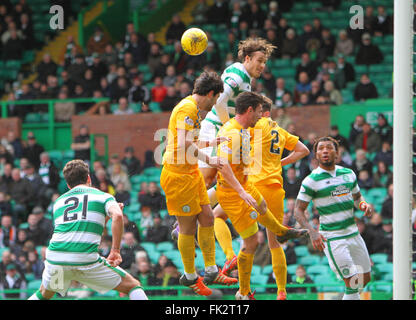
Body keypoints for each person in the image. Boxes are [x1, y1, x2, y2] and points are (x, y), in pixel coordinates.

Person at [215, 91, 308, 300]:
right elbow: (303, 150)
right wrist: (278, 163)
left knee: (217, 217)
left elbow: (227, 152)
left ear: (260, 112)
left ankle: (233, 265)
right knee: (274, 243)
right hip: (275, 187)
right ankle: (282, 291)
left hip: (251, 184)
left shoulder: (250, 126)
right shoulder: (278, 129)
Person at [160, 71, 238, 296]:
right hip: (177, 177)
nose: (215, 104)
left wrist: (210, 141)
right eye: (216, 99)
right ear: (211, 93)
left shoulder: (192, 110)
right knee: (187, 227)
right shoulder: (187, 109)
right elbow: (184, 143)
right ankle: (190, 275)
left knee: (207, 217)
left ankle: (211, 269)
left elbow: (187, 140)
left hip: (191, 173)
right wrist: (209, 158)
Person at [28, 159, 148, 300]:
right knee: (132, 285)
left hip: (57, 259)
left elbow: (78, 229)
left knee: (45, 293)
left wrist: (106, 219)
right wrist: (115, 250)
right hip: (85, 259)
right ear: (89, 178)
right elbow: (118, 215)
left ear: (68, 185)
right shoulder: (103, 196)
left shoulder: (58, 202)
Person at [198, 37, 276, 221]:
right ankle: (184, 216)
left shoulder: (246, 79)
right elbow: (219, 100)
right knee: (207, 177)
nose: (262, 66)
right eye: (259, 61)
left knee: (229, 179)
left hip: (226, 131)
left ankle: (189, 219)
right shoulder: (237, 74)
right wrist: (228, 127)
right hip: (216, 127)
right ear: (247, 58)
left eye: (264, 62)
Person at [294, 136, 373, 300]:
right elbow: (298, 210)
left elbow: (358, 198)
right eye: (321, 148)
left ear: (337, 153)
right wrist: (312, 232)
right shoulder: (311, 181)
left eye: (329, 147)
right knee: (352, 283)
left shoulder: (348, 173)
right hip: (333, 238)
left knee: (365, 279)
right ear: (316, 155)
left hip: (353, 234)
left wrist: (364, 205)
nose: (325, 151)